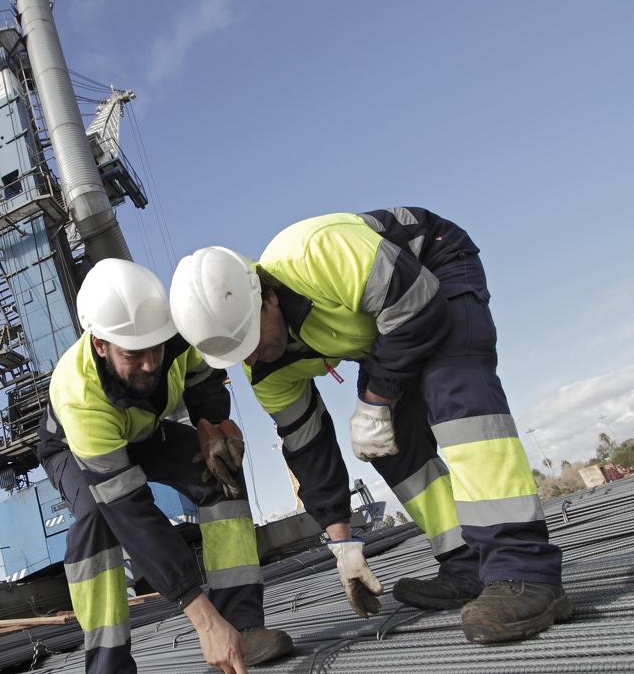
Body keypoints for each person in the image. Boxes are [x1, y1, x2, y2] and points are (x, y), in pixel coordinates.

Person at [168, 208, 569, 644]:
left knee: (457, 397)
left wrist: (375, 399)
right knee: (389, 444)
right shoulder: (263, 367)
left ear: (269, 297)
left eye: (251, 340)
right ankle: (466, 562)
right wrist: (342, 543)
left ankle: (524, 571)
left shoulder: (315, 253)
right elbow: (307, 445)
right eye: (238, 353)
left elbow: (418, 302)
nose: (251, 356)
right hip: (387, 328)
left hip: (432, 271)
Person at [36, 259, 293, 673]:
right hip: (72, 447)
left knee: (219, 472)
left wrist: (211, 426)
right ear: (100, 345)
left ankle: (242, 628)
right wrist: (203, 621)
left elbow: (202, 377)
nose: (151, 364)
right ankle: (108, 664)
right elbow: (132, 514)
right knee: (97, 519)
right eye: (133, 355)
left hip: (142, 431)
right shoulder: (79, 395)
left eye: (156, 349)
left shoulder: (174, 334)